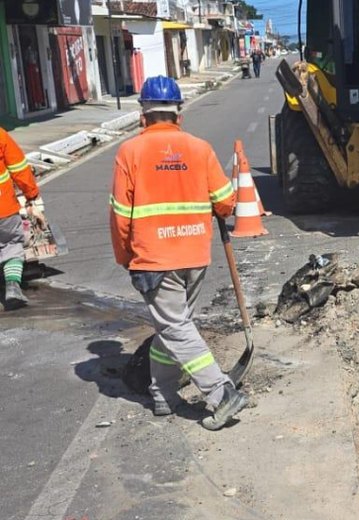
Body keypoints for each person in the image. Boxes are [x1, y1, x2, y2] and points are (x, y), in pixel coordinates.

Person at [109, 76, 248, 430]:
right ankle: (162, 394)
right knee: (173, 328)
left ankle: (220, 393)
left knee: (174, 328)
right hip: (195, 254)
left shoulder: (130, 152)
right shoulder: (199, 148)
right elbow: (225, 202)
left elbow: (121, 216)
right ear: (178, 115)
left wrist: (125, 256)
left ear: (143, 115)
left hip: (154, 259)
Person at [0, 127, 43, 310]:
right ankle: (12, 286)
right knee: (11, 244)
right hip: (3, 207)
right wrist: (31, 196)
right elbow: (19, 169)